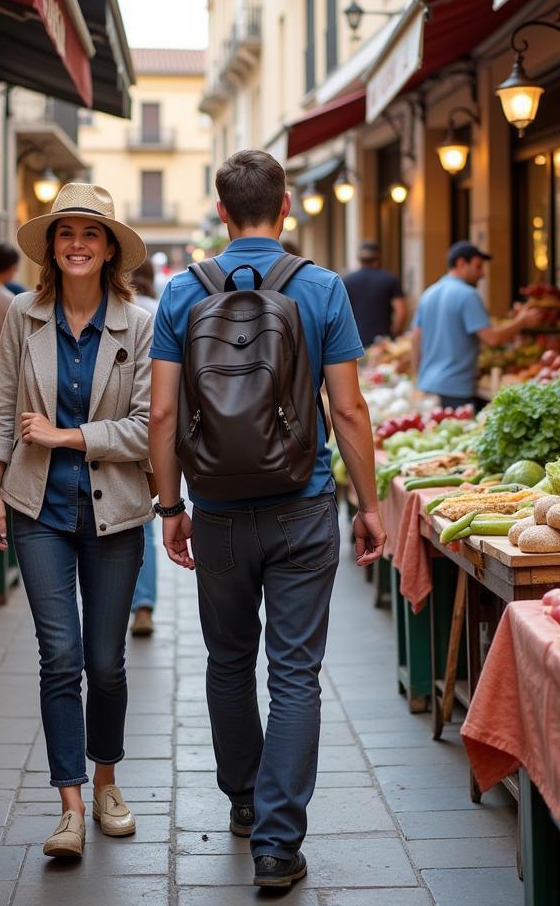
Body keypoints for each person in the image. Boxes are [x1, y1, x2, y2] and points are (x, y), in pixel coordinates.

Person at [148, 150, 387, 890]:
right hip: (302, 506)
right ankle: (279, 846)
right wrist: (370, 505)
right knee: (295, 674)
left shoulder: (182, 292)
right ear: (286, 207)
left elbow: (160, 413)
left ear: (221, 211)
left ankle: (244, 803)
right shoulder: (320, 288)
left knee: (226, 662)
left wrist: (170, 507)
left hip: (215, 510)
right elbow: (346, 409)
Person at [0, 183, 154, 859]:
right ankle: (71, 807)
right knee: (61, 659)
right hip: (38, 511)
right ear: (52, 247)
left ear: (110, 248)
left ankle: (108, 782)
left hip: (115, 514)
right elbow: (1, 411)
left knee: (107, 665)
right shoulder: (23, 315)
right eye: (65, 233)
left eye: (91, 233)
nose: (77, 244)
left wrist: (66, 436)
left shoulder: (140, 325)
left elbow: (144, 430)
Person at [411, 240, 542, 410]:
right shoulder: (468, 295)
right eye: (478, 266)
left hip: (427, 385)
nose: (483, 274)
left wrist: (418, 378)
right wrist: (522, 322)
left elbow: (415, 339)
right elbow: (492, 339)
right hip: (455, 390)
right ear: (461, 264)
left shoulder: (428, 293)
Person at [129, 259, 159, 638]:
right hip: (150, 427)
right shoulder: (157, 309)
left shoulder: (124, 312)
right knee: (143, 522)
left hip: (115, 426)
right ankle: (143, 606)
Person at [342, 239, 407, 347]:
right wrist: (394, 335)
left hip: (355, 342)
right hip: (382, 343)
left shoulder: (347, 280)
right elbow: (401, 311)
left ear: (359, 258)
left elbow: (341, 314)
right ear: (378, 257)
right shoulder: (390, 279)